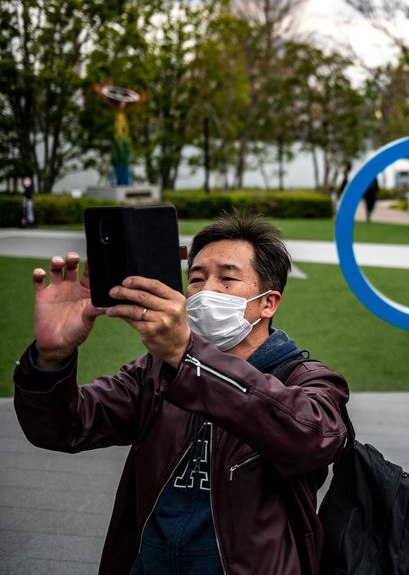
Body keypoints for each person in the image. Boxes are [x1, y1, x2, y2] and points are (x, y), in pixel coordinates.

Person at [13, 210, 349, 575]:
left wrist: (189, 358)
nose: (205, 291)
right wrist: (51, 358)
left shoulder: (309, 381)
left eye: (227, 278)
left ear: (268, 303)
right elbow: (64, 427)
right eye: (197, 278)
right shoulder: (155, 373)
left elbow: (313, 438)